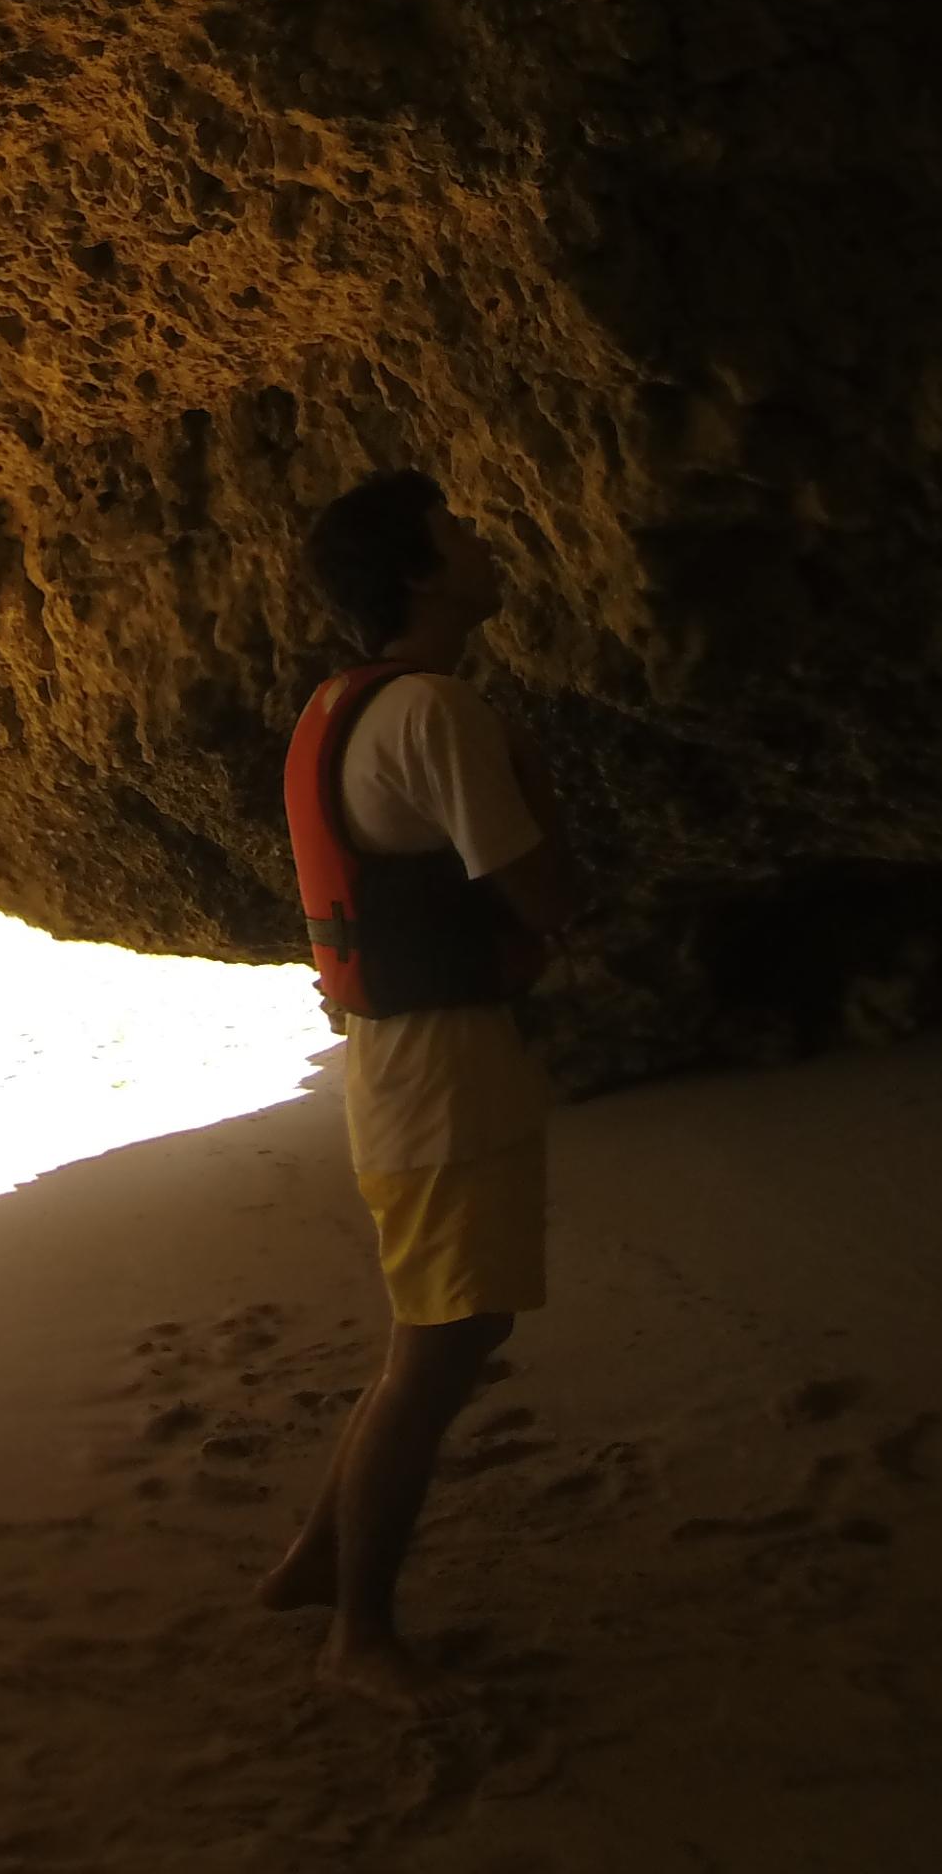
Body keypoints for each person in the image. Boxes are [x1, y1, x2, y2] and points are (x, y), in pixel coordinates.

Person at [258, 469, 576, 1708]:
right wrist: (536, 783)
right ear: (419, 574)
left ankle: (313, 1561)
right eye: (457, 532)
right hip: (444, 1071)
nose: (483, 542)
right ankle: (360, 1633)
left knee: (442, 1332)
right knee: (443, 1348)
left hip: (400, 1063)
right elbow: (540, 894)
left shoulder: (338, 705)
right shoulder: (439, 709)